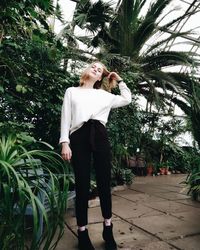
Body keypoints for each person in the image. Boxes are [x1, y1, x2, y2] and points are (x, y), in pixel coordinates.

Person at [59, 61, 132, 250]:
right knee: (82, 184)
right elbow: (66, 117)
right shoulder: (71, 91)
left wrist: (119, 79)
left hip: (100, 134)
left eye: (100, 70)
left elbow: (127, 98)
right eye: (93, 66)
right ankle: (82, 233)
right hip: (79, 136)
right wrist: (65, 142)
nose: (96, 69)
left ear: (101, 77)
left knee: (104, 182)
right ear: (87, 70)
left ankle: (108, 228)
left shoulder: (104, 95)